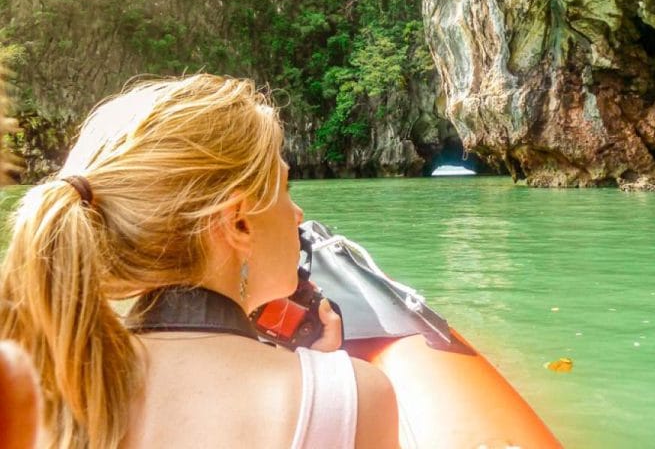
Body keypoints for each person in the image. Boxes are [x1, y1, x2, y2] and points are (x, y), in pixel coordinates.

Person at [0, 74, 398, 448]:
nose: (297, 214)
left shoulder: (38, 394)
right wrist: (323, 379)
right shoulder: (355, 398)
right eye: (285, 188)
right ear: (239, 222)